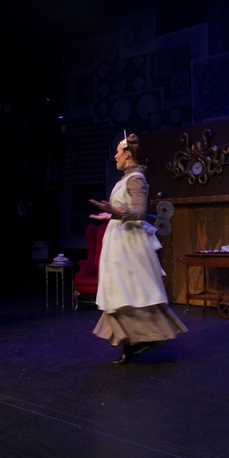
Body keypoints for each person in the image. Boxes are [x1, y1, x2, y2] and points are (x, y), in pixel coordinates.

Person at [89, 134, 188, 364]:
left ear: (127, 154)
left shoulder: (136, 179)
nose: (115, 156)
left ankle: (146, 338)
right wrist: (109, 214)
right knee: (119, 291)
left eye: (117, 152)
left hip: (129, 243)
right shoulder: (125, 179)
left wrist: (114, 210)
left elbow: (139, 211)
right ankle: (130, 344)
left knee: (130, 290)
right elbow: (124, 210)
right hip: (119, 240)